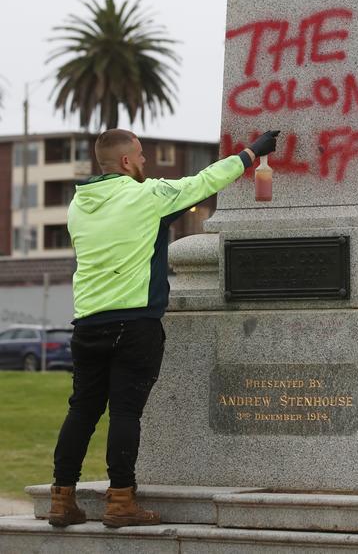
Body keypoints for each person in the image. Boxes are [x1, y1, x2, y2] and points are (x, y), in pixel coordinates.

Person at [47, 127, 279, 529]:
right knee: (124, 412)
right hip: (134, 323)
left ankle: (61, 498)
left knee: (82, 411)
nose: (145, 161)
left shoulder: (78, 206)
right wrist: (251, 153)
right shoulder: (146, 196)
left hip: (87, 322)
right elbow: (203, 182)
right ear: (125, 162)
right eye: (140, 155)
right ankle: (121, 502)